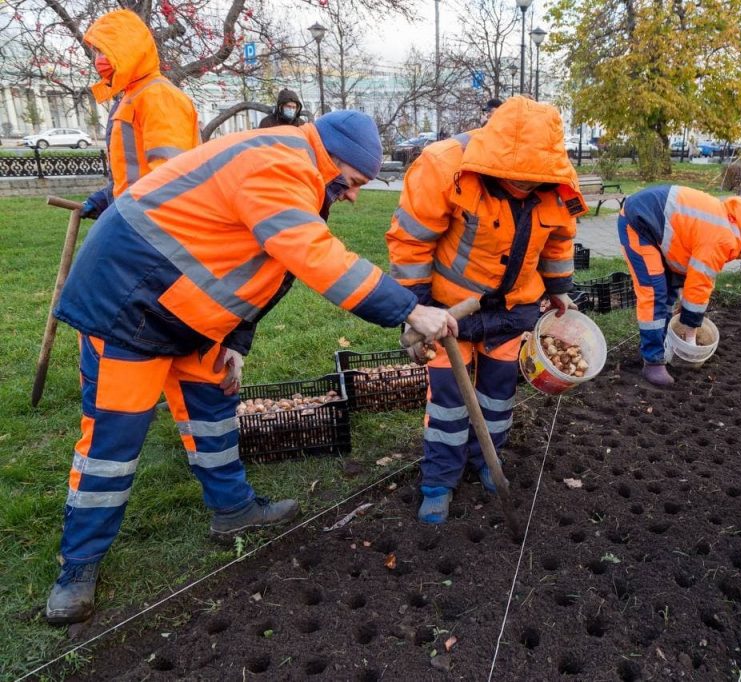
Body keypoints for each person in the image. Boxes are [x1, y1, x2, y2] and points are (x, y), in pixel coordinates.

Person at [44, 111, 457, 625]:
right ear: (332, 160)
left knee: (212, 410)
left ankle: (232, 509)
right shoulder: (277, 163)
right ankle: (78, 566)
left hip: (186, 312)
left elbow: (263, 264)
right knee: (113, 442)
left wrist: (235, 338)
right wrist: (409, 309)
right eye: (352, 183)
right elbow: (311, 255)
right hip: (127, 305)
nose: (353, 196)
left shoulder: (297, 169)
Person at [386, 95, 586, 524]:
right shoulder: (443, 165)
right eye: (516, 178)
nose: (524, 186)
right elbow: (411, 242)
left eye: (532, 180)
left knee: (498, 393)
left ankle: (486, 458)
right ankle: (439, 479)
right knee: (448, 399)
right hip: (449, 310)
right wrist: (417, 307)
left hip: (514, 308)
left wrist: (559, 289)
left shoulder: (558, 181)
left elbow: (559, 239)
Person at [618, 185, 741, 386]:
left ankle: (659, 345)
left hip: (654, 221)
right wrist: (690, 332)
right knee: (653, 293)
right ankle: (652, 362)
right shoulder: (724, 238)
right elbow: (700, 285)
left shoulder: (733, 224)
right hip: (639, 221)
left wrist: (682, 300)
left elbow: (691, 264)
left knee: (667, 293)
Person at [79, 9, 200, 221]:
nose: (99, 60)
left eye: (104, 51)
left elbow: (171, 177)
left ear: (127, 50)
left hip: (156, 224)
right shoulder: (131, 97)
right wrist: (107, 197)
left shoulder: (158, 96)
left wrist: (140, 223)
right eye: (96, 53)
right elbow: (131, 170)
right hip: (136, 217)